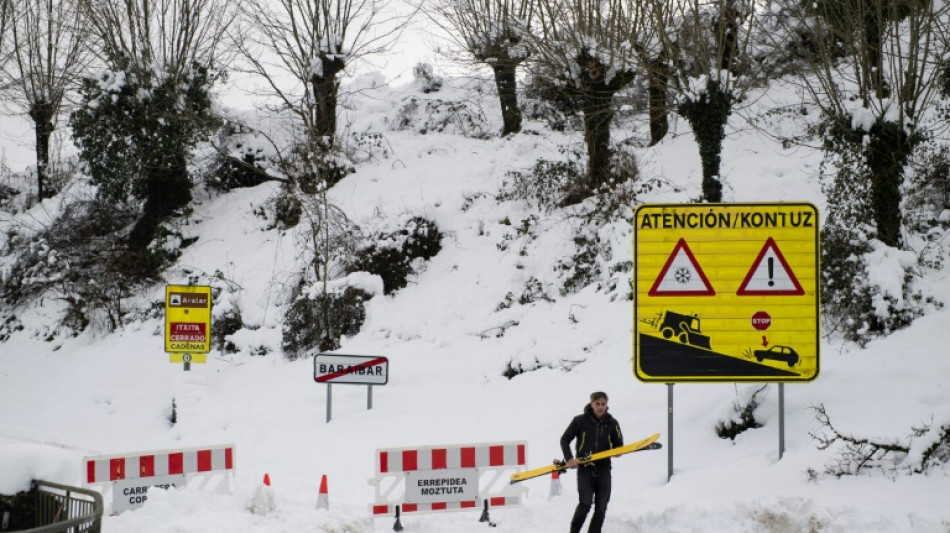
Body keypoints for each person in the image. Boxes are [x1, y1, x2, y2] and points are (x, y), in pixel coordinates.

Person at [560, 391, 623, 533]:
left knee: (601, 508)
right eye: (597, 404)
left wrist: (618, 451)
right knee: (585, 504)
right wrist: (570, 458)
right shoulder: (579, 421)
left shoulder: (612, 423)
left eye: (603, 404)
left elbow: (618, 444)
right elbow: (564, 439)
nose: (600, 407)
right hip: (585, 469)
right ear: (591, 404)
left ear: (607, 405)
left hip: (604, 469)